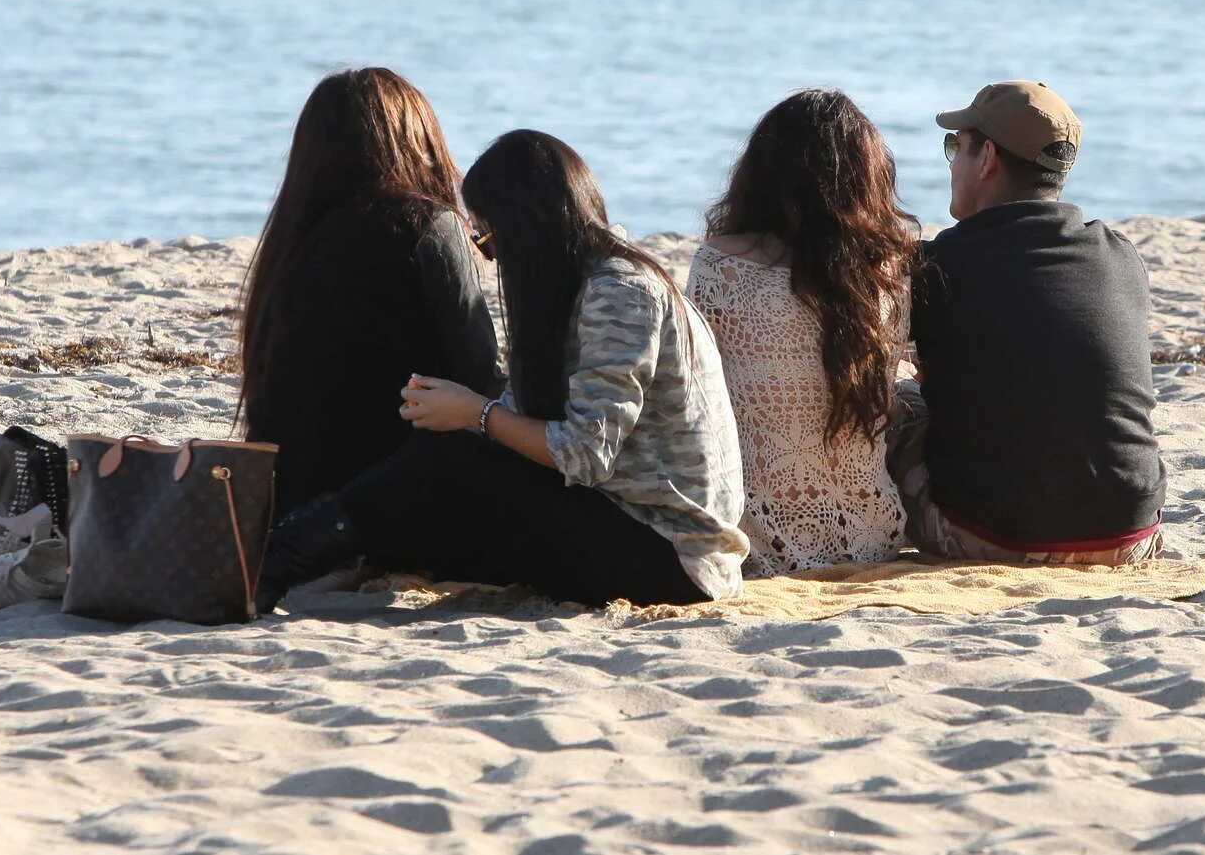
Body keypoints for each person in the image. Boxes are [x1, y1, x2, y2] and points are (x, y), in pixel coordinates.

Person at [254, 130, 748, 612]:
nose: (489, 258)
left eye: (487, 239)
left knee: (451, 458)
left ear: (526, 227)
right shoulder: (579, 284)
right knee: (437, 480)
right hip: (624, 522)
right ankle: (291, 553)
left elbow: (585, 453)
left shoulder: (619, 293)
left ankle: (273, 560)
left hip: (675, 553)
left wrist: (475, 413)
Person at [896, 80, 1166, 564]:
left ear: (987, 159)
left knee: (894, 406)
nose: (952, 161)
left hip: (999, 540)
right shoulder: (1119, 255)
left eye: (955, 146)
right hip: (1131, 537)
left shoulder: (940, 265)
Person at [237, 68, 499, 516]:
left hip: (286, 498)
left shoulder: (291, 238)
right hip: (382, 499)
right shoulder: (427, 225)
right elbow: (479, 374)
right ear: (416, 140)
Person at [686, 90, 918, 575]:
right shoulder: (885, 273)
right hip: (873, 530)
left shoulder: (721, 266)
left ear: (760, 171)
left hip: (758, 538)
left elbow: (697, 401)